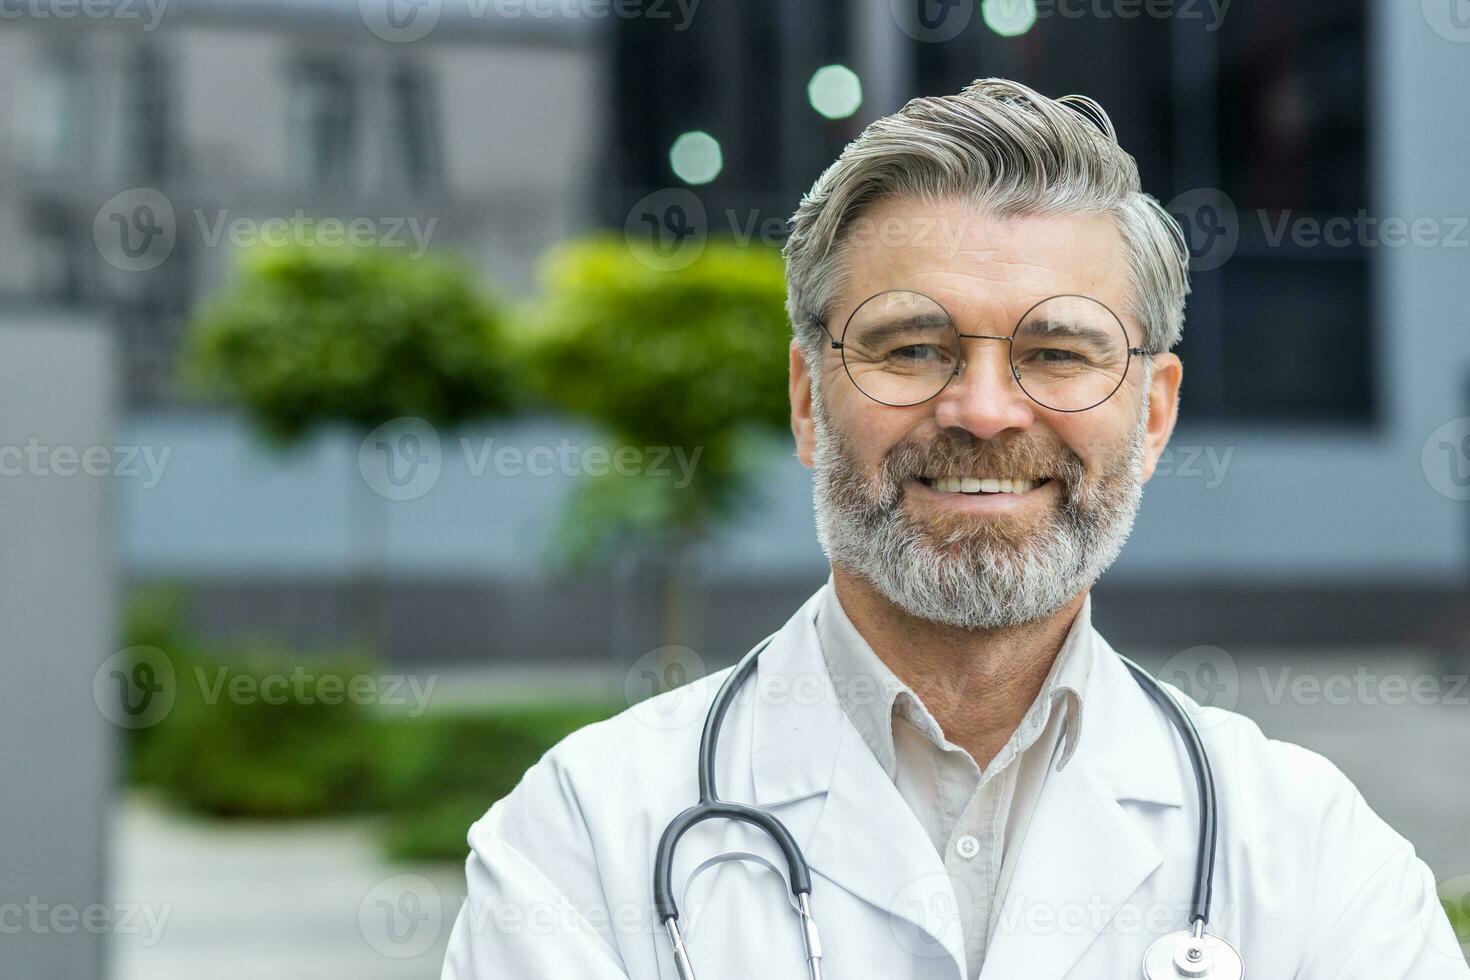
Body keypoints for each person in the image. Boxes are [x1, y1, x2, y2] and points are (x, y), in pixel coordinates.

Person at [441, 79, 1468, 978]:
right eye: (912, 344)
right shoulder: (584, 835)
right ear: (808, 398)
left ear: (1152, 414)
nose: (983, 409)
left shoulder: (1312, 851)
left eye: (1059, 351)